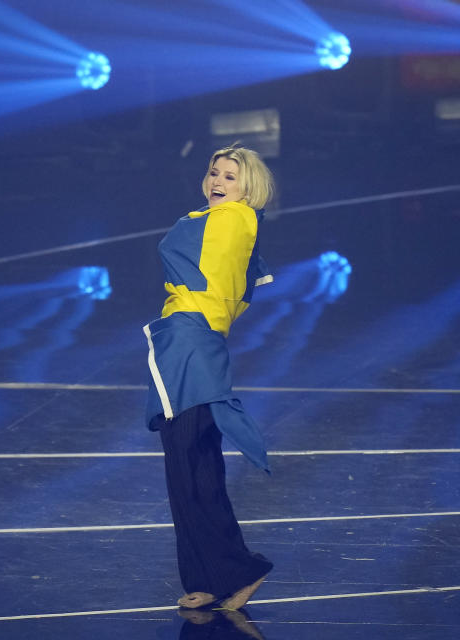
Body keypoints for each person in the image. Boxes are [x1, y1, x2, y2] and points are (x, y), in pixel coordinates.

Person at [143, 145, 275, 611]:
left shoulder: (236, 217)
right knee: (192, 467)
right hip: (188, 343)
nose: (218, 181)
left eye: (231, 177)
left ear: (249, 188)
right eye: (215, 173)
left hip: (193, 347)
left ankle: (238, 570)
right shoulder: (223, 219)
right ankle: (211, 576)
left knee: (190, 464)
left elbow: (176, 242)